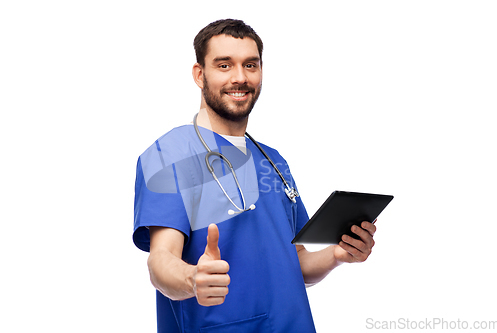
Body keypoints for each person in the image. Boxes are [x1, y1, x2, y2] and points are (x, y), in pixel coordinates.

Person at [133, 19, 377, 333]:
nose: (240, 77)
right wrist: (193, 279)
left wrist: (337, 254)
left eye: (251, 65)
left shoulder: (273, 161)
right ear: (199, 74)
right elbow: (161, 261)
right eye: (224, 65)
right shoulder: (170, 154)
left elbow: (296, 264)